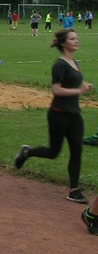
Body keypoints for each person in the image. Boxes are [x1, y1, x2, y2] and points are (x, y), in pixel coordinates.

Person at [14, 29, 92, 203]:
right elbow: (56, 90)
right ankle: (26, 152)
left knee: (77, 150)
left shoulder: (74, 62)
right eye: (72, 39)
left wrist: (84, 85)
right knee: (53, 152)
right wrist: (79, 91)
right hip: (58, 115)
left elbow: (75, 81)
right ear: (63, 43)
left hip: (75, 115)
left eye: (76, 38)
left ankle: (74, 190)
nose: (76, 41)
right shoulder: (59, 65)